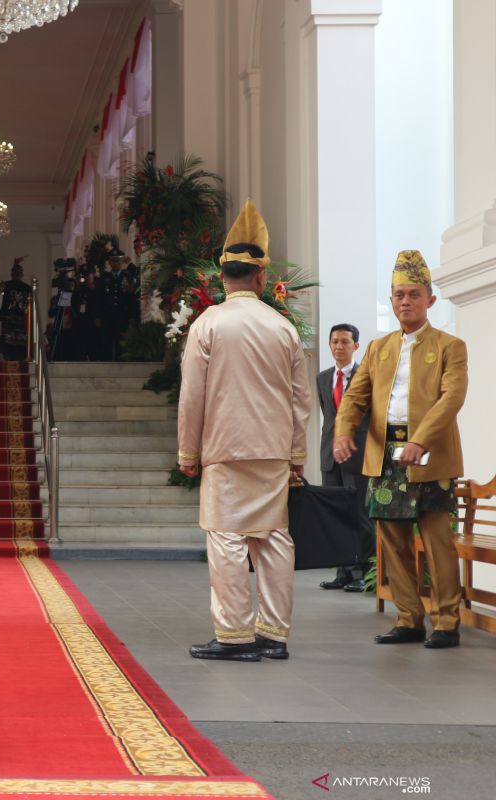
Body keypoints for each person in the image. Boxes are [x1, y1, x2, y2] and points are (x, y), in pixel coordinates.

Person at [177, 199, 311, 662]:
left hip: (225, 449)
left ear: (222, 276)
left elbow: (192, 397)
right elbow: (300, 400)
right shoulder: (283, 328)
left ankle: (234, 635)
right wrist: (297, 455)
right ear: (259, 277)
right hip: (272, 451)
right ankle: (274, 635)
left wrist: (187, 453)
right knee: (273, 537)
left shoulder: (207, 324)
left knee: (227, 537)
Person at [334, 250, 467, 649]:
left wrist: (420, 440)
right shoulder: (377, 348)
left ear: (430, 300)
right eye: (398, 295)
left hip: (429, 454)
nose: (405, 301)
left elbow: (452, 397)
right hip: (384, 454)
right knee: (393, 539)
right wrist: (343, 432)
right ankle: (409, 619)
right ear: (391, 301)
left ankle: (446, 622)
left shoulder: (450, 346)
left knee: (437, 540)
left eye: (413, 294)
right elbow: (355, 398)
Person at [317, 324, 371, 592]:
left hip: (357, 455)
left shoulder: (366, 376)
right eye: (335, 342)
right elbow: (329, 417)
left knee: (358, 514)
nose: (339, 346)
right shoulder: (323, 378)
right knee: (335, 516)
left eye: (345, 342)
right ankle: (343, 572)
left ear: (355, 346)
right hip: (330, 456)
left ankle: (363, 571)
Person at [0, 258, 33, 360]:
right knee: (14, 347)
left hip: (16, 320)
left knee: (14, 347)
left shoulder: (7, 285)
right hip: (16, 320)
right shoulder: (26, 288)